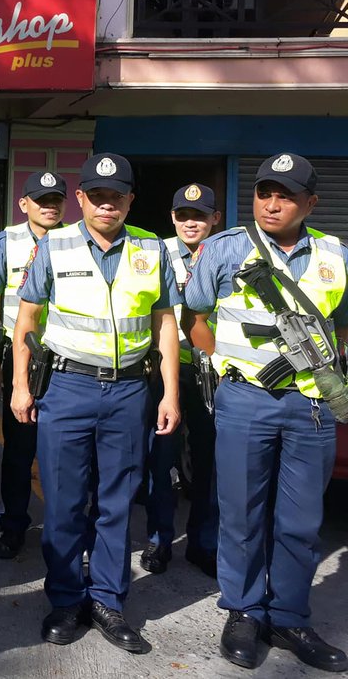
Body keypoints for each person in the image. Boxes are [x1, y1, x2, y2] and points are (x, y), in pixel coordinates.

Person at [11, 152, 181, 654]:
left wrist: (170, 393)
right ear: (81, 198)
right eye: (98, 196)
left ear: (130, 200)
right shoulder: (55, 245)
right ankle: (65, 599)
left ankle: (107, 599)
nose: (108, 205)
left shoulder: (152, 248)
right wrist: (21, 385)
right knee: (64, 501)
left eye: (118, 197)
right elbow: (26, 323)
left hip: (129, 390)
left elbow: (164, 325)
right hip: (67, 389)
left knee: (115, 502)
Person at [185, 154, 348, 672]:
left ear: (311, 203)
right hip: (245, 402)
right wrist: (220, 364)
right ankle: (244, 612)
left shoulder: (335, 254)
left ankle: (289, 616)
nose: (272, 204)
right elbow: (195, 314)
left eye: (286, 195)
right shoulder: (226, 249)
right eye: (264, 192)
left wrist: (324, 371)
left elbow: (342, 326)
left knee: (300, 523)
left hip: (311, 409)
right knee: (241, 517)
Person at [0, 171, 66, 560]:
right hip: (20, 357)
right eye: (40, 199)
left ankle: (64, 531)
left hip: (67, 359)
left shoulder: (77, 241)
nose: (49, 206)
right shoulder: (5, 242)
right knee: (19, 448)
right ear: (24, 204)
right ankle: (13, 524)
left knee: (65, 452)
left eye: (55, 200)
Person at [141, 183, 221, 577]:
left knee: (209, 460)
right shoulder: (155, 253)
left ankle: (203, 542)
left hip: (213, 372)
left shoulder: (228, 254)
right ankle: (158, 540)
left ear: (215, 219)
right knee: (161, 458)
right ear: (173, 218)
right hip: (164, 370)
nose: (191, 223)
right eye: (184, 216)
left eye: (200, 216)